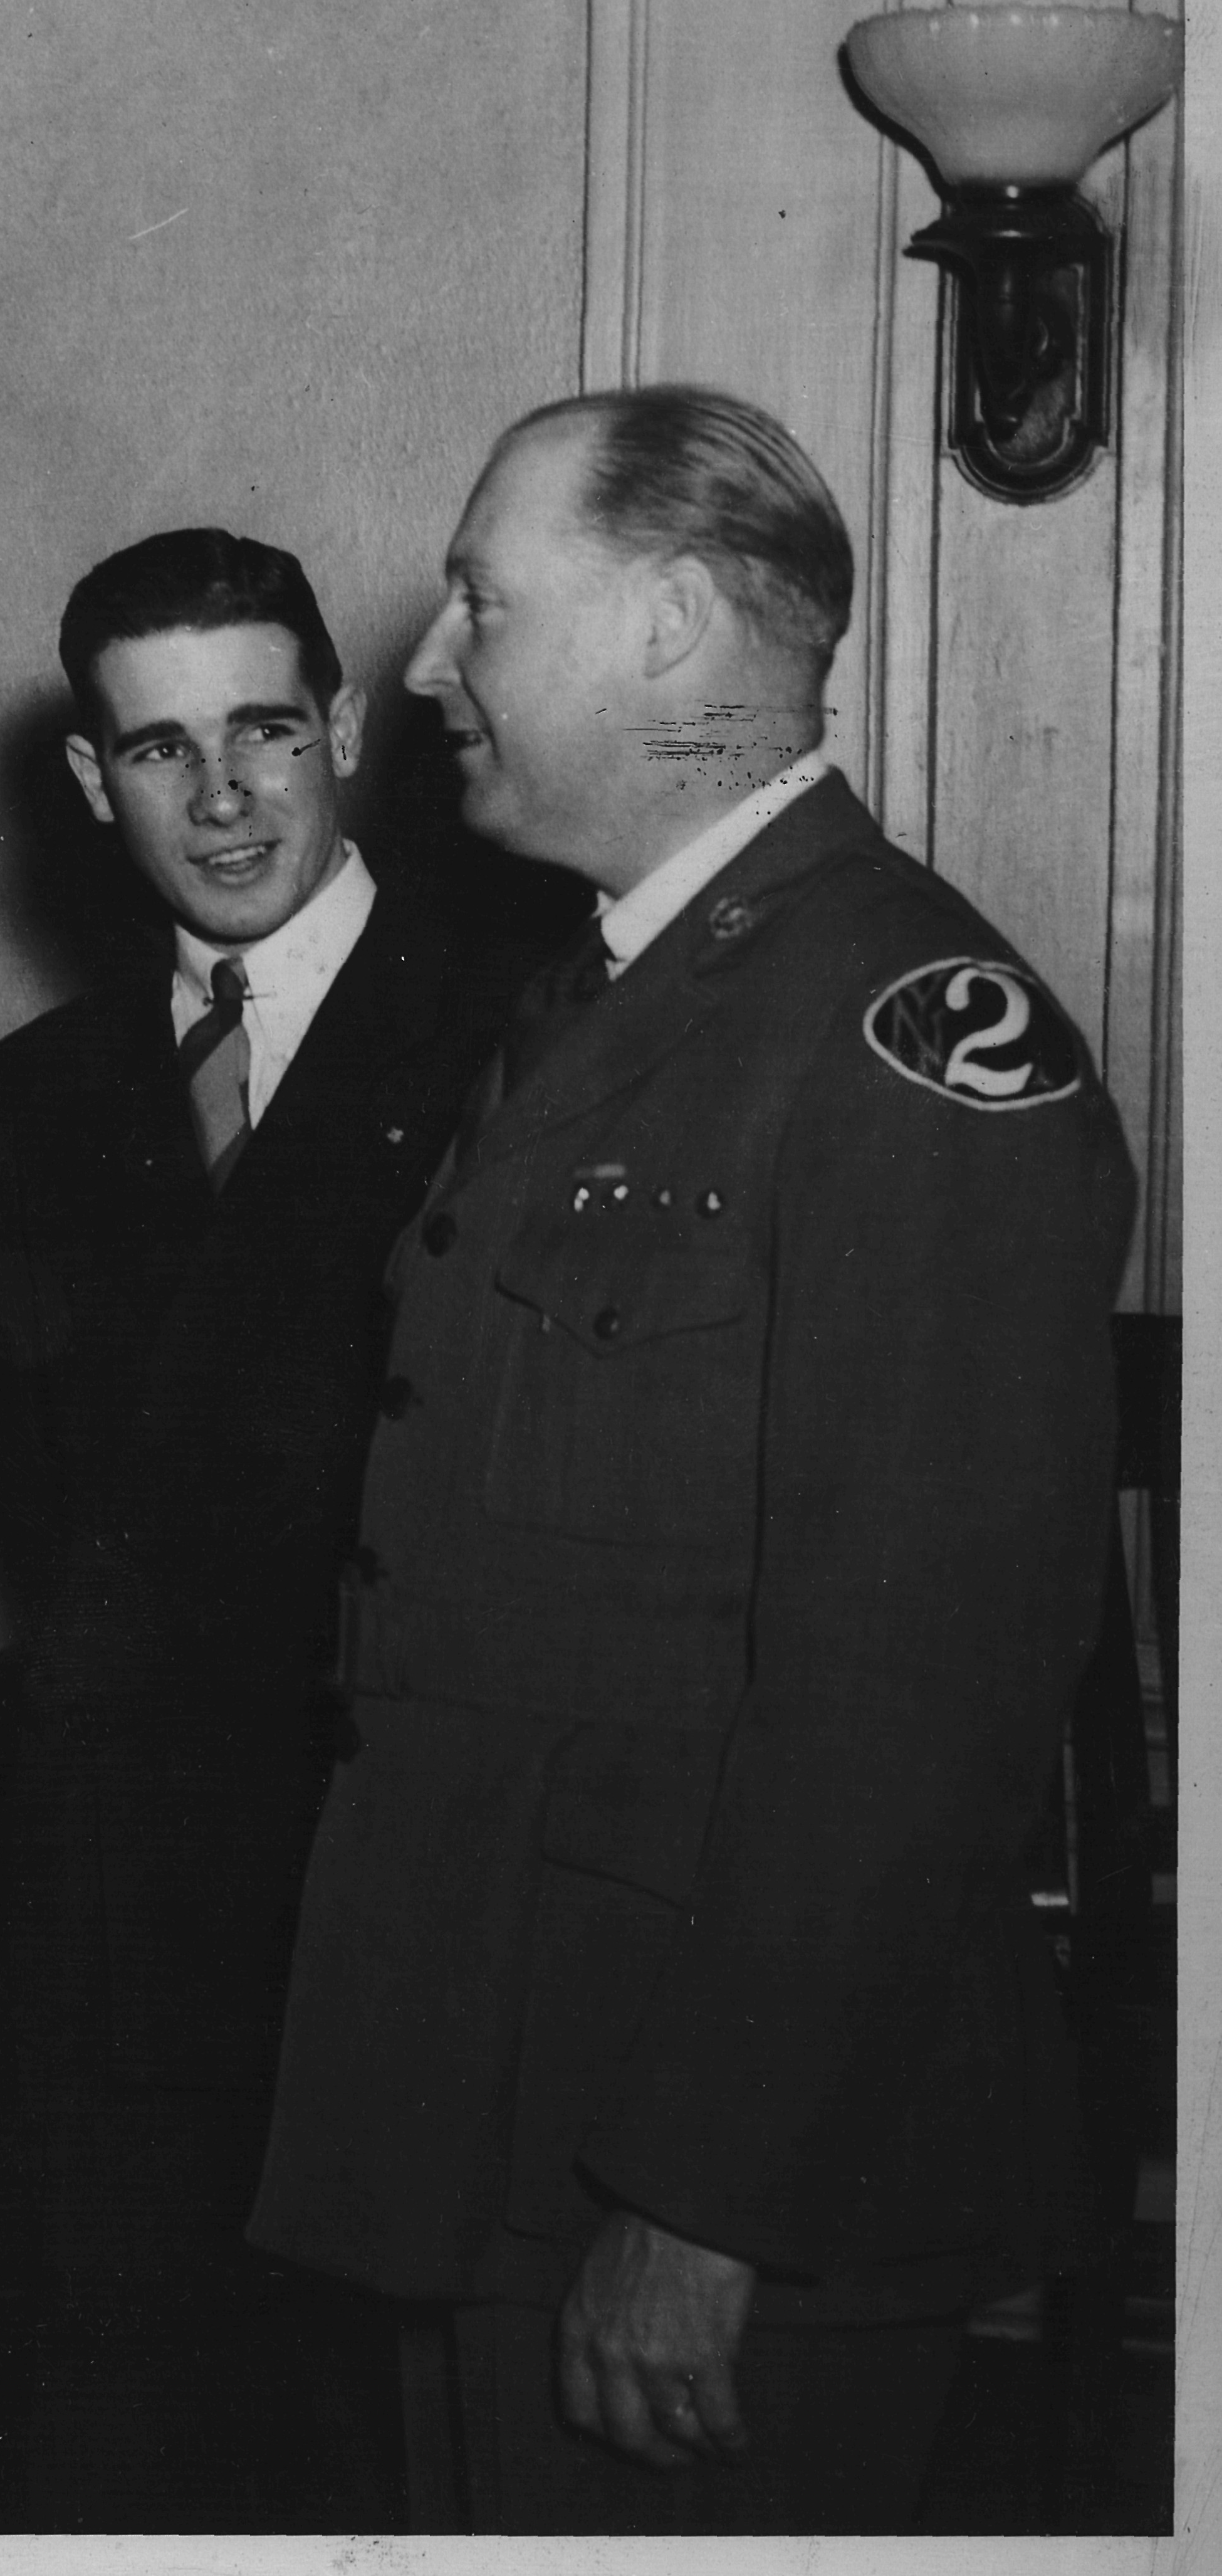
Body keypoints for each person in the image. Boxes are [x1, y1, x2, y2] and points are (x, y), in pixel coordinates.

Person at [248, 386, 1137, 2533]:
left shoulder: (901, 1034)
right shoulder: (611, 991)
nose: (427, 664)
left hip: (703, 2169)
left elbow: (915, 1698)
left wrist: (704, 2195)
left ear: (662, 624)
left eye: (480, 602)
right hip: (494, 2099)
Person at [0, 527, 529, 2528]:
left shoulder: (522, 1029)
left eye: (262, 733)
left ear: (345, 727)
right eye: (157, 748)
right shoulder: (33, 1097)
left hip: (410, 1887)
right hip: (127, 1913)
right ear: (87, 778)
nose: (219, 797)